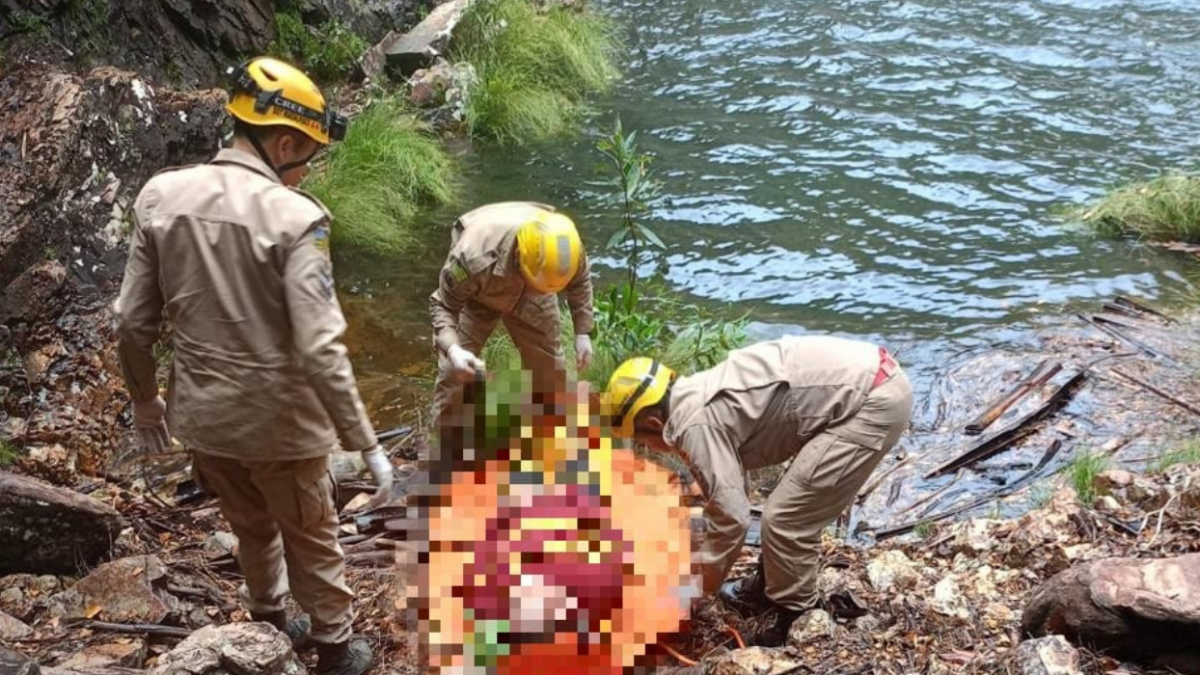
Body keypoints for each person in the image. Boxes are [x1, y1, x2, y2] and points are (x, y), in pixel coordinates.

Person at [113, 57, 390, 675]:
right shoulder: (298, 220)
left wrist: (145, 401)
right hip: (283, 428)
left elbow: (132, 322)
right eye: (307, 154)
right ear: (283, 141)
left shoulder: (161, 196)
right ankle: (337, 650)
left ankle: (267, 617)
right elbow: (321, 348)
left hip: (202, 420)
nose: (307, 168)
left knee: (249, 525)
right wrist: (365, 442)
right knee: (312, 537)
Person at [601, 335, 913, 646]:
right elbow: (729, 488)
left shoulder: (692, 424)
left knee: (786, 519)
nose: (649, 449)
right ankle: (768, 585)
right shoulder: (692, 393)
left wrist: (693, 589)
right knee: (788, 503)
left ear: (655, 423)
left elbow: (733, 517)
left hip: (871, 401)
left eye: (643, 442)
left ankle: (797, 616)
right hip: (866, 381)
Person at [428, 202, 594, 416]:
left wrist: (583, 332)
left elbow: (581, 282)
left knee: (550, 368)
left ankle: (551, 429)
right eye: (537, 285)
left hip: (532, 297)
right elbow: (443, 305)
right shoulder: (472, 259)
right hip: (479, 291)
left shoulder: (567, 248)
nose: (541, 291)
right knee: (455, 372)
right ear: (519, 257)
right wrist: (453, 350)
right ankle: (442, 439)